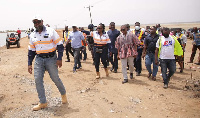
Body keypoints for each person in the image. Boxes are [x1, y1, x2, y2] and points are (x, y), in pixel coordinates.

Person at [28, 15, 67, 111]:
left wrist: (59, 58)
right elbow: (31, 51)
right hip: (39, 59)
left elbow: (60, 45)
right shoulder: (32, 35)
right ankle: (43, 102)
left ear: (42, 21)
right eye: (35, 23)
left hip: (51, 58)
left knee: (55, 78)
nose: (36, 24)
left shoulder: (51, 31)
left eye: (38, 22)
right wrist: (29, 63)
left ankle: (63, 94)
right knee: (37, 79)